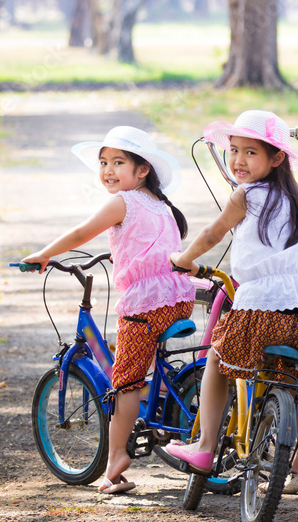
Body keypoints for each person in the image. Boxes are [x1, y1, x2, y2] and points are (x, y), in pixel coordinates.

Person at [165, 110, 298, 522]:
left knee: (217, 358)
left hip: (260, 313)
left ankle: (206, 445)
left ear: (277, 158)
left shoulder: (245, 197)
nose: (238, 161)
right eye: (233, 152)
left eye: (250, 152)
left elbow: (213, 234)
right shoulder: (297, 202)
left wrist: (183, 258)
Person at [22, 126, 195, 495]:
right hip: (177, 297)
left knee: (125, 380)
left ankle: (116, 461)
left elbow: (82, 233)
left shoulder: (124, 202)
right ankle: (159, 403)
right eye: (103, 163)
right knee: (143, 361)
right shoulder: (160, 204)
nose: (108, 171)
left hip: (146, 305)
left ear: (143, 169)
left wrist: (45, 254)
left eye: (119, 162)